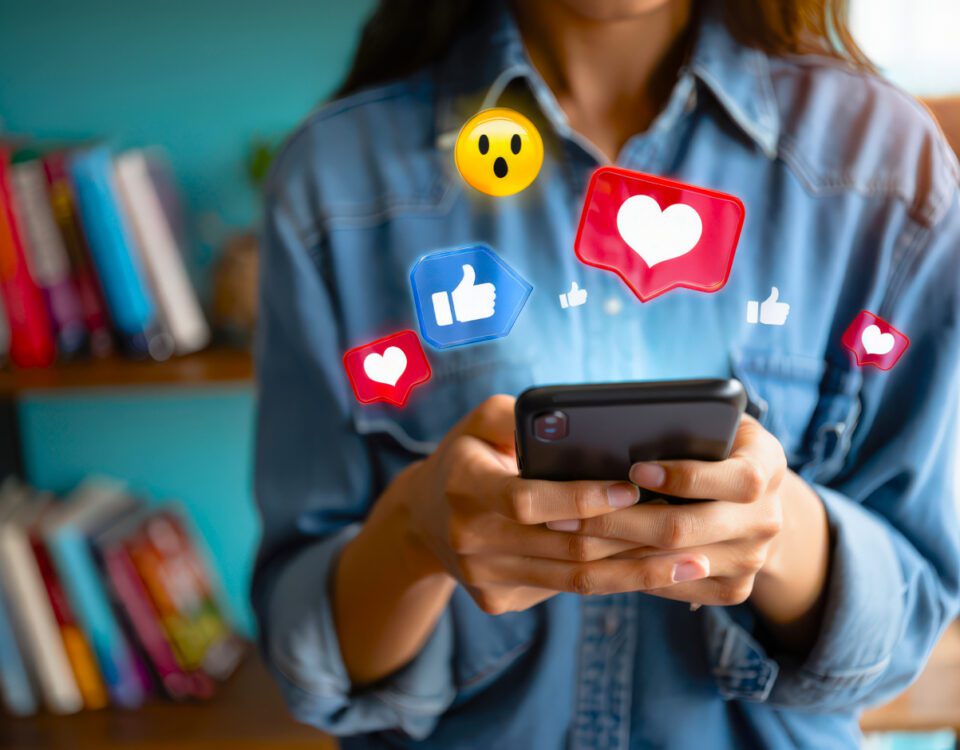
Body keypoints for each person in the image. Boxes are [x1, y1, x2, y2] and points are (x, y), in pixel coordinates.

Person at [252, 0, 960, 747]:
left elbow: (912, 623)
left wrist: (779, 530)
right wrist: (413, 534)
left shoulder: (886, 166)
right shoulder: (338, 181)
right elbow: (308, 657)